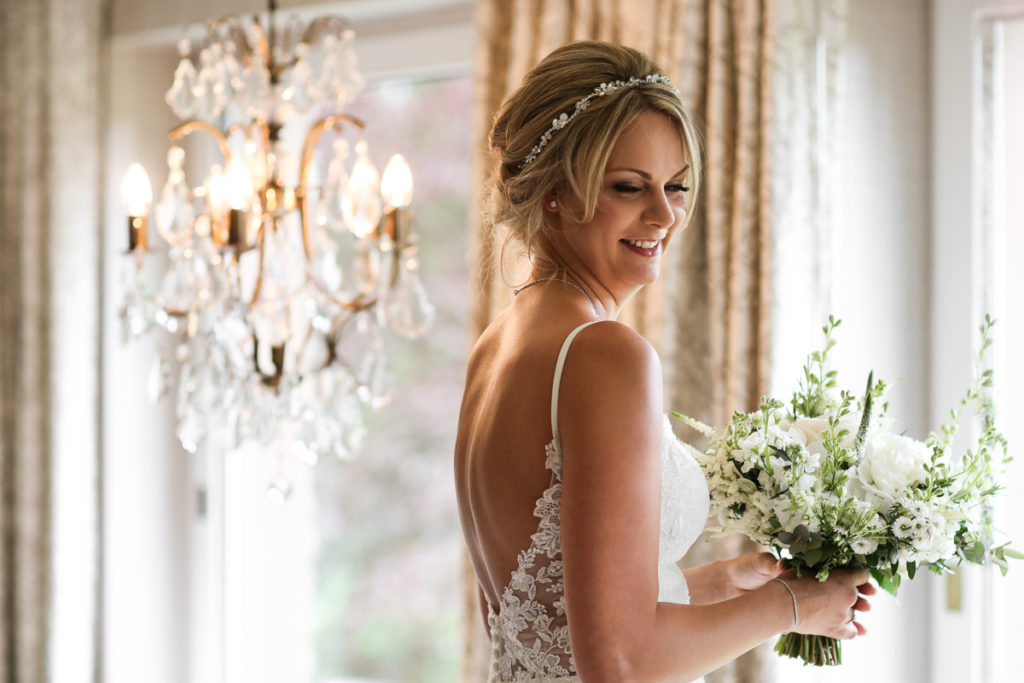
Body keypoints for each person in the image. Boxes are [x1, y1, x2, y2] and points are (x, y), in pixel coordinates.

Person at [454, 40, 874, 682]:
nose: (665, 215)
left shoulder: (498, 345)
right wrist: (793, 604)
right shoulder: (603, 354)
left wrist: (723, 582)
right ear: (552, 192)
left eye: (677, 187)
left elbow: (553, 613)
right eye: (629, 187)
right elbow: (619, 663)